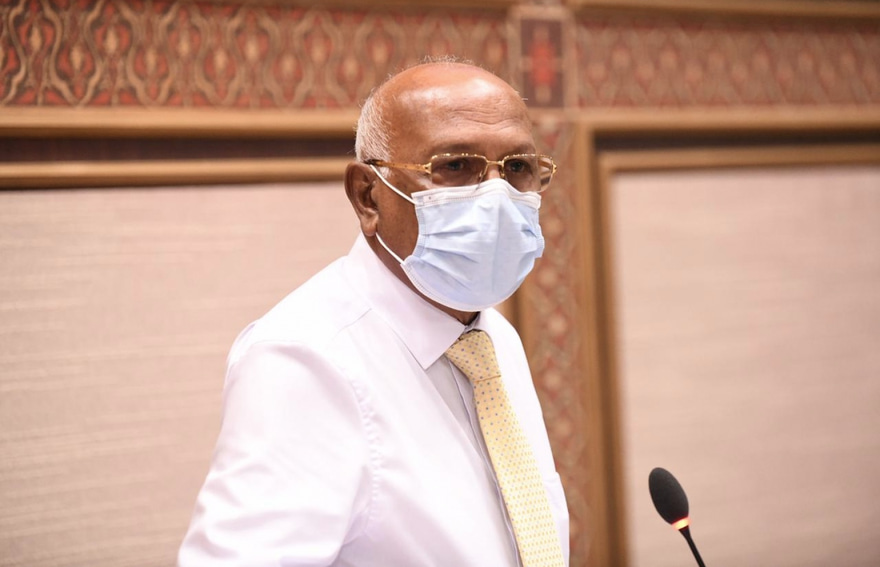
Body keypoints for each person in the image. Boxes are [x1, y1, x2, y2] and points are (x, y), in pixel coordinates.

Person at [178, 60, 569, 566]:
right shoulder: (306, 362)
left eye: (517, 168)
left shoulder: (490, 336)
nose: (496, 195)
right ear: (368, 196)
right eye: (454, 166)